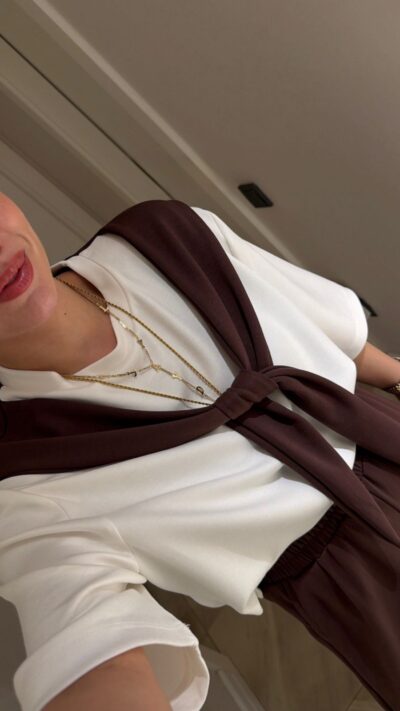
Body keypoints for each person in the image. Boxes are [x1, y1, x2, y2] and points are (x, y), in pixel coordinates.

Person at [0, 191, 399, 711]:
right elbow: (90, 651)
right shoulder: (24, 474)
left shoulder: (162, 235)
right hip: (361, 581)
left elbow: (339, 335)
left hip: (385, 432)